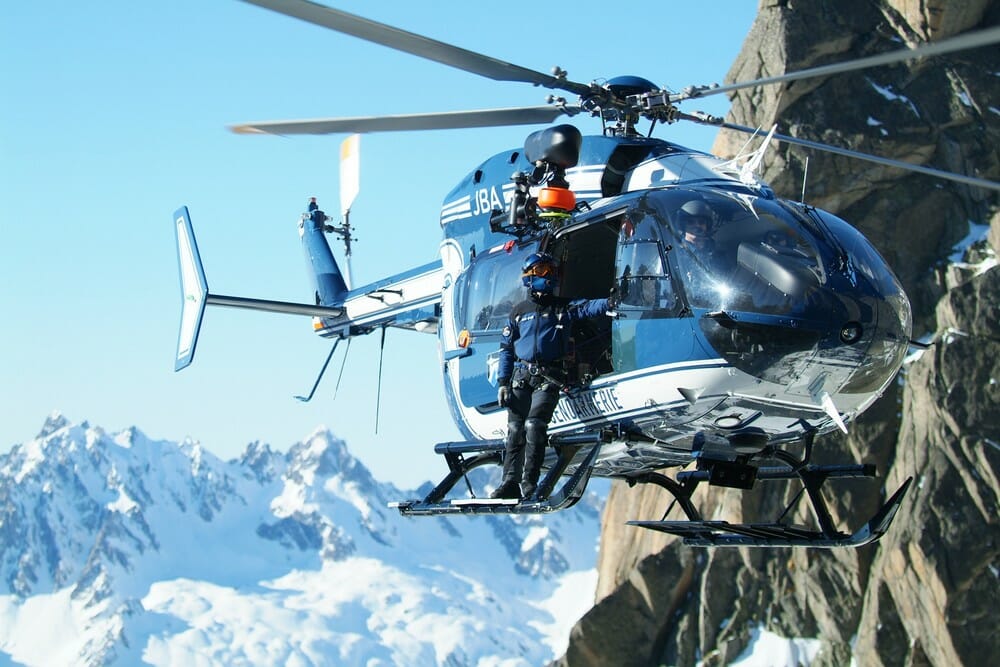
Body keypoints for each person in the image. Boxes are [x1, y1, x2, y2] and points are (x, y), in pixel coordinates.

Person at [491, 252, 613, 501]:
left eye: (551, 271)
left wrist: (611, 302)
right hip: (521, 378)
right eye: (543, 271)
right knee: (515, 429)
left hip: (550, 378)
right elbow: (506, 349)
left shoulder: (563, 308)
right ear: (529, 277)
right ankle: (509, 482)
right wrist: (503, 383)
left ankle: (529, 484)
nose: (549, 277)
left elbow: (588, 308)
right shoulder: (518, 312)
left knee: (535, 426)